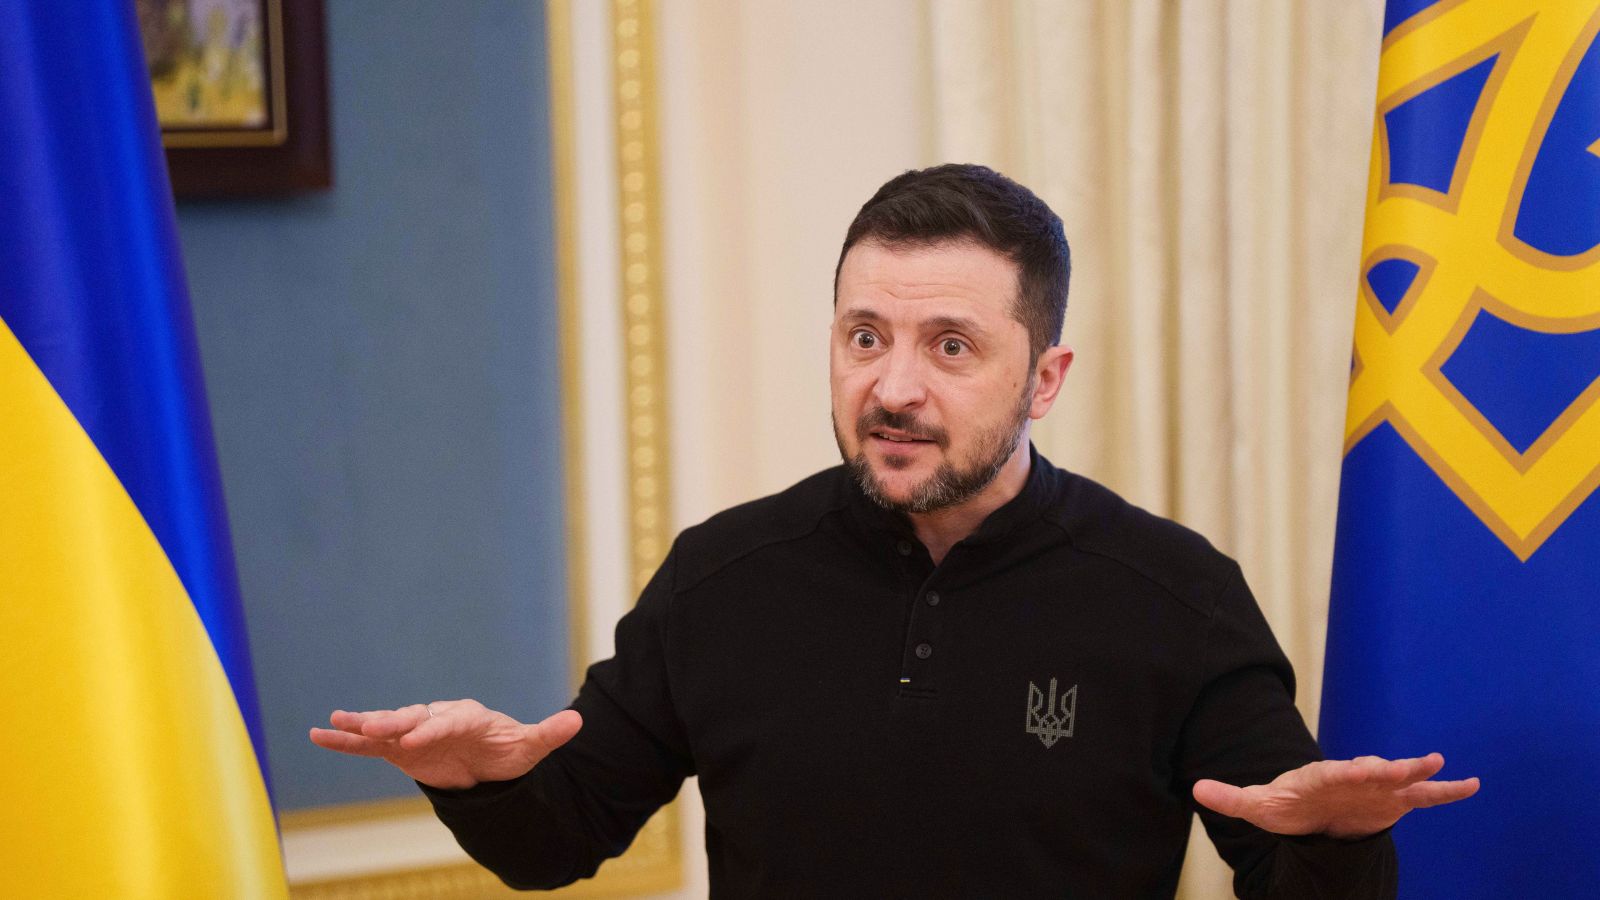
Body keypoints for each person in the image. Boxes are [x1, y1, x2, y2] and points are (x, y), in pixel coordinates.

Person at [311, 164, 1478, 897]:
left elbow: (1286, 869)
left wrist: (1333, 843)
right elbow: (558, 840)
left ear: (1046, 376)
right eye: (864, 337)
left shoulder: (1175, 593)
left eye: (950, 346)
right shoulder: (722, 576)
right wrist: (473, 781)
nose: (894, 387)